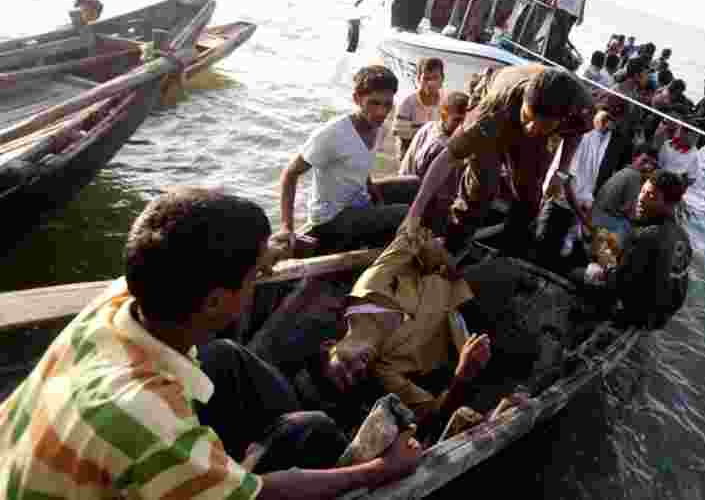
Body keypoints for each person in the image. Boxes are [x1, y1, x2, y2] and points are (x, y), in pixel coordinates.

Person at [0, 188, 422, 500]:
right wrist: (380, 468)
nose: (260, 280)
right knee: (309, 432)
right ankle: (319, 436)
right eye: (255, 276)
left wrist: (265, 255)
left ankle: (301, 425)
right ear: (217, 299)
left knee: (222, 358)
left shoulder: (116, 302)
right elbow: (260, 496)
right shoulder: (145, 414)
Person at [304, 220, 527, 443]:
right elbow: (430, 410)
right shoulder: (386, 371)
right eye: (357, 376)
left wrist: (443, 259)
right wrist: (462, 373)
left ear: (329, 345)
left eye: (344, 366)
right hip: (474, 338)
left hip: (461, 288)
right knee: (526, 355)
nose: (359, 367)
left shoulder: (370, 287)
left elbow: (412, 237)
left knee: (509, 269)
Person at [407, 64, 593, 257]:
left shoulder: (583, 108)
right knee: (483, 186)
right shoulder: (496, 107)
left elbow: (575, 132)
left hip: (539, 131)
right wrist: (415, 212)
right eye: (527, 117)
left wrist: (561, 170)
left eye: (542, 125)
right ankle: (452, 246)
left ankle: (507, 255)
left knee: (529, 196)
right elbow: (447, 157)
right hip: (501, 110)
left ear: (562, 119)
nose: (530, 128)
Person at [279, 65, 407, 254]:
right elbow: (290, 174)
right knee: (407, 213)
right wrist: (286, 228)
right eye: (374, 103)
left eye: (387, 104)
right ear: (356, 99)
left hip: (358, 203)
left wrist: (378, 200)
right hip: (332, 219)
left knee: (412, 184)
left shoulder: (378, 127)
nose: (381, 112)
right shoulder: (333, 134)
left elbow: (362, 168)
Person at [534, 98, 633, 266]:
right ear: (599, 109)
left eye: (615, 121)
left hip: (582, 207)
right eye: (607, 117)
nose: (609, 124)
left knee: (564, 254)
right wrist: (585, 220)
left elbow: (598, 177)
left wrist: (586, 213)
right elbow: (566, 181)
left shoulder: (613, 139)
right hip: (559, 204)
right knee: (543, 251)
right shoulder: (581, 134)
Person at [607, 170, 693, 329]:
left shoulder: (649, 236)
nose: (641, 199)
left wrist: (605, 269)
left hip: (639, 315)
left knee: (579, 273)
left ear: (669, 203)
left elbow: (618, 283)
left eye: (651, 196)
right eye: (643, 191)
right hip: (662, 317)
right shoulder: (683, 237)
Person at [398, 91, 470, 236]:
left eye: (466, 123)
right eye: (457, 120)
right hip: (420, 207)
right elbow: (439, 196)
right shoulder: (443, 149)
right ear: (443, 115)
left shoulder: (429, 126)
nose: (461, 127)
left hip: (404, 187)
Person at [392, 57, 445, 162]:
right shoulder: (407, 102)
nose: (430, 83)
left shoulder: (446, 101)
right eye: (426, 78)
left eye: (435, 78)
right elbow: (403, 138)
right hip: (410, 156)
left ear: (442, 79)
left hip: (435, 156)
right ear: (418, 79)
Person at [593, 144, 660, 220]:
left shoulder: (626, 171)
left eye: (652, 164)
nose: (648, 167)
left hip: (598, 216)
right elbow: (631, 213)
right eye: (644, 161)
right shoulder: (634, 175)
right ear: (634, 158)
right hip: (604, 221)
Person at [658, 126, 702, 192]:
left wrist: (680, 187)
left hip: (674, 187)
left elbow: (692, 177)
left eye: (697, 137)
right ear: (683, 133)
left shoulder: (694, 154)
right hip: (660, 180)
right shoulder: (667, 144)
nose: (696, 140)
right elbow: (660, 164)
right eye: (694, 136)